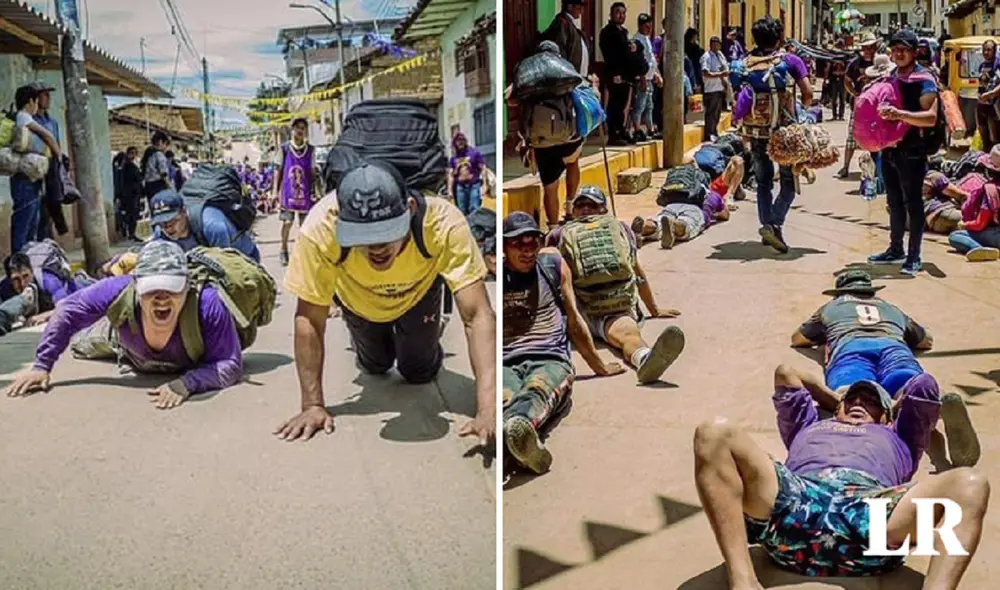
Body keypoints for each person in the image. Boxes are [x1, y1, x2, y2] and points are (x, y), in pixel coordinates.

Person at [694, 364, 986, 587]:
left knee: (970, 483)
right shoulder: (806, 425)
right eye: (853, 399)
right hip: (797, 500)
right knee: (713, 432)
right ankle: (743, 581)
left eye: (871, 402)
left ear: (888, 417)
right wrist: (835, 399)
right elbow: (786, 373)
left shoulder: (901, 436)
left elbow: (925, 385)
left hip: (873, 513)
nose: (859, 403)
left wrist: (896, 407)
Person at [275, 162, 496, 445]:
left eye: (387, 232)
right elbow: (310, 318)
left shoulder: (443, 222)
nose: (376, 248)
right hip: (359, 301)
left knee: (419, 372)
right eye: (363, 237)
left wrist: (488, 409)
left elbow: (478, 314)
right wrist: (312, 405)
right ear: (340, 222)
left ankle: (425, 335)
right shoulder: (319, 227)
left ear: (410, 209)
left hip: (417, 295)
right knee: (375, 365)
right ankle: (369, 343)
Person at [3, 241, 244, 410]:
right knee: (80, 344)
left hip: (187, 359)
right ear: (136, 285)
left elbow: (230, 364)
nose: (162, 298)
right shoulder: (119, 288)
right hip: (121, 342)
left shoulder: (207, 303)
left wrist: (188, 383)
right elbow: (67, 312)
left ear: (187, 285)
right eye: (152, 290)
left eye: (171, 289)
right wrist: (41, 365)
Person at [502, 212, 625, 474]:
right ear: (504, 247)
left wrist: (599, 366)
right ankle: (519, 446)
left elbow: (574, 319)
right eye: (518, 244)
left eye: (532, 242)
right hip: (506, 362)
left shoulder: (553, 265)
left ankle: (519, 430)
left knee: (536, 392)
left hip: (549, 359)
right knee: (504, 398)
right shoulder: (497, 276)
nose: (527, 251)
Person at [546, 186, 685, 384]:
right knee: (627, 334)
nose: (585, 209)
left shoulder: (558, 234)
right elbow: (635, 271)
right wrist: (653, 309)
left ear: (602, 209)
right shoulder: (620, 229)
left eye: (591, 205)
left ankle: (644, 359)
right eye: (581, 205)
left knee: (629, 337)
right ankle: (643, 357)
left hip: (578, 314)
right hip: (613, 307)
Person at [791, 270, 933, 401]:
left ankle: (861, 402)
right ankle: (913, 398)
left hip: (850, 348)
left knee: (853, 392)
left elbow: (798, 339)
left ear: (839, 293)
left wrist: (825, 335)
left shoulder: (831, 307)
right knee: (909, 384)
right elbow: (926, 341)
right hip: (894, 347)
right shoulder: (892, 308)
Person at [868, 29, 940, 276]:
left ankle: (914, 256)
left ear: (915, 52)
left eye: (904, 50)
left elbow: (930, 118)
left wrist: (900, 115)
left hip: (912, 151)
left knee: (913, 203)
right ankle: (895, 249)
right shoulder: (890, 76)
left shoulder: (924, 79)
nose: (898, 54)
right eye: (895, 49)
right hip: (890, 150)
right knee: (894, 202)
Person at [740, 16, 812, 254]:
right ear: (780, 37)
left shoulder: (746, 62)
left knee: (763, 181)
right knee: (788, 181)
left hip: (756, 131)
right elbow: (807, 93)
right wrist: (801, 113)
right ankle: (775, 223)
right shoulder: (790, 60)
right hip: (785, 133)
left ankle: (767, 224)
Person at [9, 85, 61, 255]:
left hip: (32, 178)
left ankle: (27, 259)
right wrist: (59, 155)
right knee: (24, 222)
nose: (37, 105)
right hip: (24, 180)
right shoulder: (24, 117)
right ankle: (19, 261)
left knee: (33, 221)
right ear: (31, 101)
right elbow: (47, 135)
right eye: (37, 101)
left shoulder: (29, 118)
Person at [148, 189, 261, 262]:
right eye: (161, 223)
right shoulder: (161, 232)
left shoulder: (212, 227)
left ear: (184, 212)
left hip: (242, 259)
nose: (167, 228)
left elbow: (226, 267)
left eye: (172, 221)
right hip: (202, 261)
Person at [0, 251, 85, 334]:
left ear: (32, 272)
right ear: (9, 280)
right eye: (16, 279)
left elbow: (66, 307)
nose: (22, 284)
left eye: (26, 276)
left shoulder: (48, 280)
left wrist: (44, 316)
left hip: (80, 291)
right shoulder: (4, 288)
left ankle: (81, 276)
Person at [272, 117, 319, 266]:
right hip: (288, 192)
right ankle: (283, 248)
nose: (300, 131)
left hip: (305, 192)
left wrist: (316, 190)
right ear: (292, 130)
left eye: (303, 128)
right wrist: (274, 192)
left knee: (305, 224)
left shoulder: (310, 150)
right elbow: (277, 171)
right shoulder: (284, 149)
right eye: (297, 128)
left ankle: (303, 252)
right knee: (287, 222)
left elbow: (312, 171)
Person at [632, 182, 730, 249]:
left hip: (673, 205)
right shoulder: (712, 195)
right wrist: (715, 214)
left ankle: (644, 227)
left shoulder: (680, 188)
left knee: (659, 221)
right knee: (687, 222)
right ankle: (674, 225)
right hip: (694, 209)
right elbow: (725, 215)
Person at [837, 32, 879, 179]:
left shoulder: (880, 62)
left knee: (877, 137)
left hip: (877, 106)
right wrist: (855, 93)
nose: (867, 50)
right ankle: (845, 167)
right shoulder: (855, 63)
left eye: (870, 47)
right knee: (852, 136)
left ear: (875, 47)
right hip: (860, 106)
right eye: (865, 47)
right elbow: (847, 80)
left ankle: (877, 168)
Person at [30, 81, 68, 241]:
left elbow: (56, 144)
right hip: (36, 168)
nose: (48, 98)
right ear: (35, 98)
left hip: (51, 168)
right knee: (37, 211)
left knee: (52, 206)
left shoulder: (52, 122)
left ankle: (47, 241)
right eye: (45, 95)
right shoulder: (30, 120)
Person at [947, 147, 1000, 261]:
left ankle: (979, 249)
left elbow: (980, 224)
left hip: (996, 235)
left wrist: (964, 225)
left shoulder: (992, 190)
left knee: (955, 236)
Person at [599, 3, 633, 145]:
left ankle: (621, 130)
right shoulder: (608, 32)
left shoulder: (623, 32)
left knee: (623, 104)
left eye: (623, 13)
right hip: (615, 73)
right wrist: (616, 73)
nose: (621, 15)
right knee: (615, 104)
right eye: (618, 12)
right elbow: (609, 54)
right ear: (611, 14)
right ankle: (613, 134)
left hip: (626, 74)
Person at [631, 13, 661, 142]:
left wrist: (655, 74)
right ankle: (637, 129)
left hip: (649, 78)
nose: (649, 29)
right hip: (641, 79)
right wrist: (643, 79)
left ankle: (650, 129)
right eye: (646, 26)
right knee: (640, 106)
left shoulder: (647, 39)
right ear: (640, 26)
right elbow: (639, 62)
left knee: (649, 106)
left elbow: (650, 59)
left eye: (650, 26)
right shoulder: (637, 40)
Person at [540, 0, 589, 76]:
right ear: (569, 6)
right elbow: (560, 51)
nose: (581, 11)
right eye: (579, 8)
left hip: (575, 75)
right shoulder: (562, 23)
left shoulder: (570, 24)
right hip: (569, 76)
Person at [448, 132, 486, 215]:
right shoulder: (454, 158)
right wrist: (450, 190)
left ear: (465, 141)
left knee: (474, 209)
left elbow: (483, 168)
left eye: (462, 140)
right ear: (455, 143)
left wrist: (484, 185)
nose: (460, 142)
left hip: (474, 185)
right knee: (461, 211)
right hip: (460, 187)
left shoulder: (474, 153)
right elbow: (451, 175)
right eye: (458, 140)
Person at [700, 36, 729, 142]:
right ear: (711, 44)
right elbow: (705, 73)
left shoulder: (720, 55)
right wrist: (720, 74)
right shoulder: (706, 57)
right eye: (715, 44)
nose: (717, 46)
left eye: (719, 44)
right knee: (711, 113)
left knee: (717, 113)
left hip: (720, 88)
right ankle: (709, 133)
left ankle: (714, 131)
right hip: (711, 89)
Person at [920, 169, 966, 236]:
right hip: (939, 214)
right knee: (974, 221)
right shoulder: (934, 175)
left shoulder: (907, 176)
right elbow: (959, 195)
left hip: (919, 221)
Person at [975, 40, 1000, 152]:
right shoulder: (982, 65)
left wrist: (990, 94)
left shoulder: (998, 64)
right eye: (984, 50)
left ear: (994, 51)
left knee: (995, 137)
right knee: (983, 135)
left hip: (995, 105)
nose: (986, 52)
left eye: (989, 50)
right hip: (982, 105)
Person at [140, 131, 173, 208]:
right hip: (158, 185)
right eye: (166, 144)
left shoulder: (148, 153)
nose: (166, 148)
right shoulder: (159, 155)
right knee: (161, 210)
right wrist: (170, 186)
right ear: (161, 142)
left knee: (153, 208)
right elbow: (163, 174)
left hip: (148, 185)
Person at [119, 146, 144, 240]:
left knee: (134, 214)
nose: (133, 155)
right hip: (130, 193)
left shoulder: (132, 165)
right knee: (131, 214)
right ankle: (131, 233)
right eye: (132, 153)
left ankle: (132, 233)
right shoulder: (127, 166)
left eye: (135, 153)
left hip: (134, 193)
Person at [826, 55, 847, 121]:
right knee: (834, 99)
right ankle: (834, 115)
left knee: (842, 99)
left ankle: (841, 115)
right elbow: (828, 71)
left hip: (843, 82)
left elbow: (847, 71)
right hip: (834, 82)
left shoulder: (846, 60)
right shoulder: (832, 60)